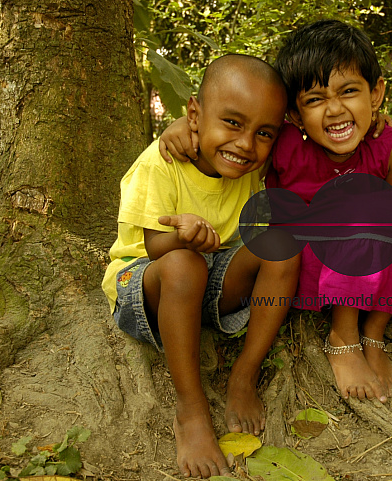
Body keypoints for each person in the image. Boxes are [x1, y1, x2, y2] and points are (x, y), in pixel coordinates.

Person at [160, 20, 392, 405]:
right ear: (293, 114)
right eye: (315, 99)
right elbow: (239, 139)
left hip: (363, 263)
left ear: (376, 94)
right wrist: (181, 125)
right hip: (300, 264)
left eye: (350, 92)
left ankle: (374, 332)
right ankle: (342, 336)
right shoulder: (284, 144)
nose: (336, 110)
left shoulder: (390, 145)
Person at [101, 54, 299, 479]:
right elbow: (154, 247)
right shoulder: (162, 162)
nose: (245, 143)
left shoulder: (250, 162)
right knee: (182, 265)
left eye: (263, 133)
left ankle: (244, 376)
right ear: (194, 113)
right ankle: (191, 411)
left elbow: (308, 132)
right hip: (146, 280)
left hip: (208, 278)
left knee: (283, 247)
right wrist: (183, 236)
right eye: (232, 123)